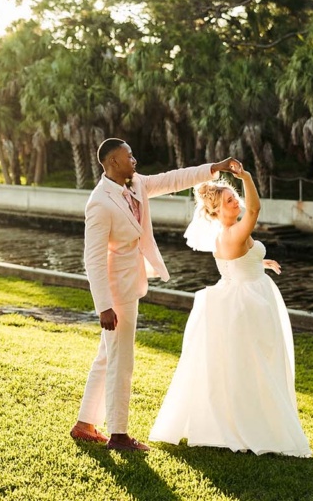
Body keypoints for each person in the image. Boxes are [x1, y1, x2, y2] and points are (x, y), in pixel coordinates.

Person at [70, 138, 241, 452]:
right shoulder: (99, 203)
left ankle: (84, 424)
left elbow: (173, 179)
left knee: (108, 356)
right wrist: (104, 306)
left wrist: (214, 169)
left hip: (131, 284)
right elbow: (93, 260)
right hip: (116, 293)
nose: (134, 160)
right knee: (122, 362)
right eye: (128, 156)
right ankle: (118, 436)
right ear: (111, 163)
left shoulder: (136, 184)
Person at [147, 161, 312, 457]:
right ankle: (253, 425)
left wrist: (259, 262)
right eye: (229, 200)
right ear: (216, 211)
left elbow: (233, 264)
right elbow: (256, 210)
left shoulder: (226, 234)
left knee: (248, 365)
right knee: (258, 364)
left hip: (243, 294)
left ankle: (250, 419)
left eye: (234, 196)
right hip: (250, 303)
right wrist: (247, 176)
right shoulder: (231, 232)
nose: (236, 200)